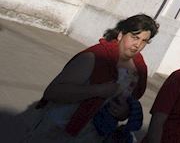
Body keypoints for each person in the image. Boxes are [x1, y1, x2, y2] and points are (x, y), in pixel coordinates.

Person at [23, 14, 159, 142]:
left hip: (95, 136)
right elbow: (53, 92)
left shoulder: (138, 69)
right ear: (120, 35)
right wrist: (98, 90)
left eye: (144, 41)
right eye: (135, 37)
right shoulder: (94, 57)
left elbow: (126, 103)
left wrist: (124, 112)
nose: (138, 45)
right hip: (58, 130)